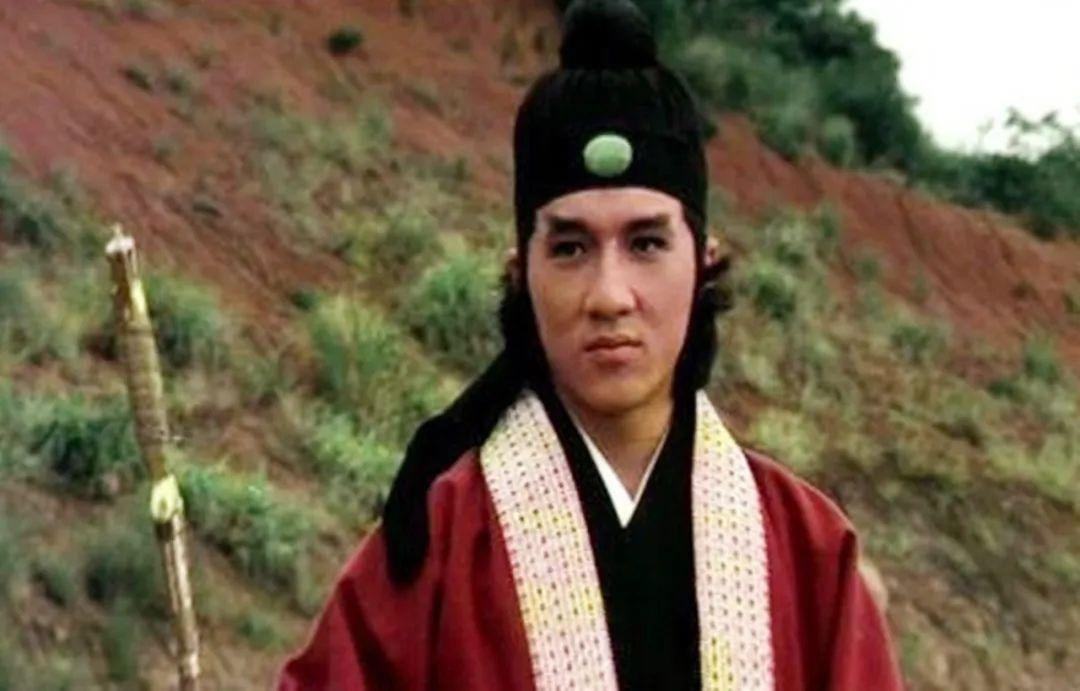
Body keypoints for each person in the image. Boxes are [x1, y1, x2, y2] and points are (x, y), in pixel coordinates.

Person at [278, 0, 904, 689]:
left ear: (704, 260)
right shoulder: (438, 543)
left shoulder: (809, 550)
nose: (609, 295)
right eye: (571, 247)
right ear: (520, 270)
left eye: (647, 243)